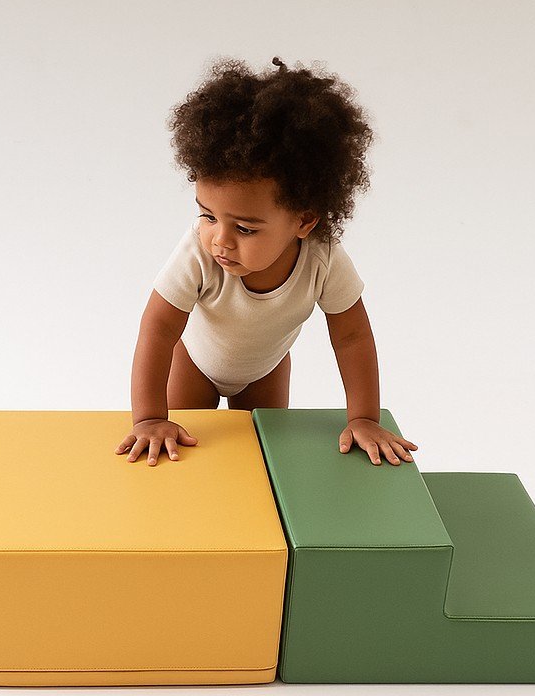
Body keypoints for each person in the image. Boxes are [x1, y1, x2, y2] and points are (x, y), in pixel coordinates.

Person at [115, 55, 418, 468]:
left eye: (245, 228)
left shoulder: (322, 259)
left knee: (259, 462)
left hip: (265, 371)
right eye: (207, 215)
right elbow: (158, 328)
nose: (219, 240)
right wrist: (149, 418)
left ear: (304, 220)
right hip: (194, 366)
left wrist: (364, 418)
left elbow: (352, 338)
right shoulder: (198, 253)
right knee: (179, 458)